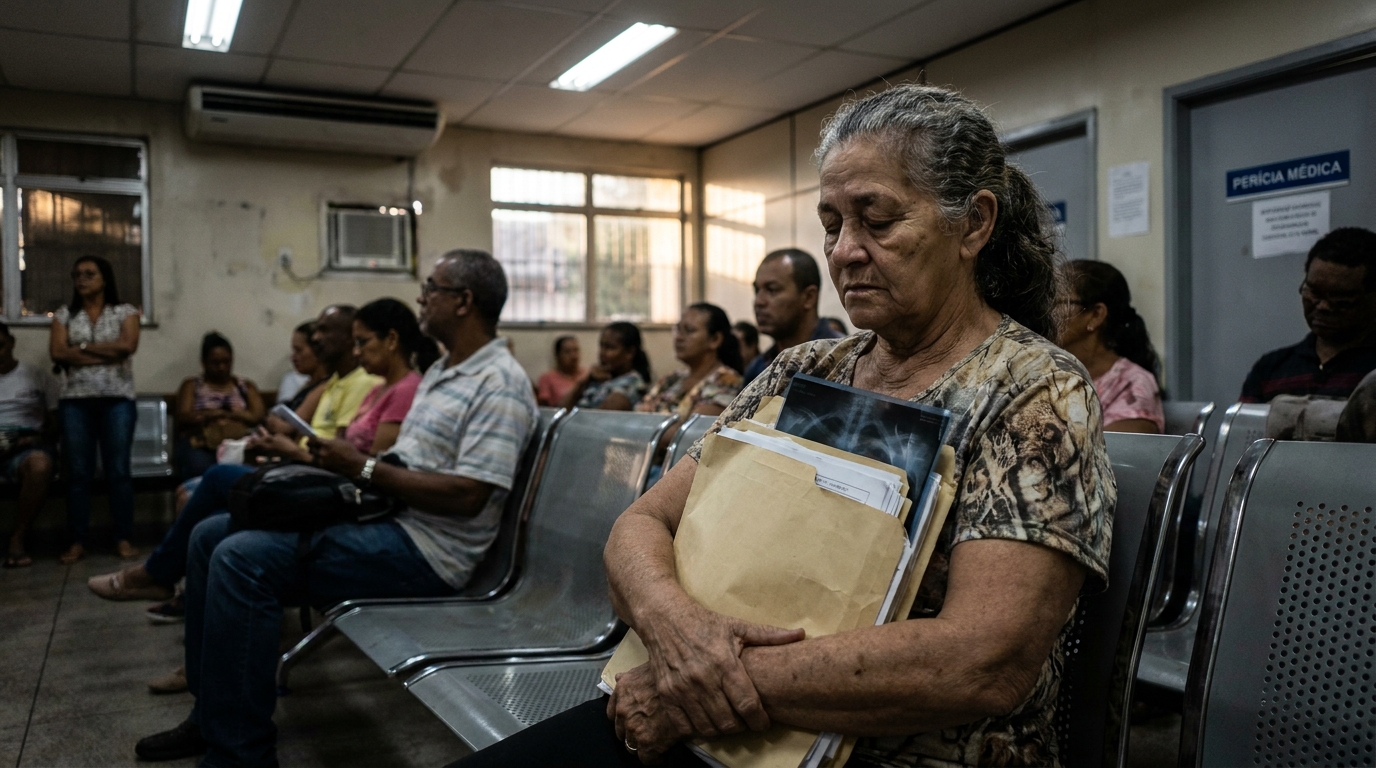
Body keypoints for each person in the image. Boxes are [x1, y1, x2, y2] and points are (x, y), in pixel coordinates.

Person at [456, 85, 1114, 768]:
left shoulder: (1033, 390)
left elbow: (983, 658)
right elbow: (642, 525)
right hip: (716, 714)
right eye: (832, 224)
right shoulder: (805, 372)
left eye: (877, 220)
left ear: (974, 224)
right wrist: (677, 630)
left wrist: (695, 682)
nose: (845, 251)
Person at [134, 249, 539, 766]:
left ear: (463, 302)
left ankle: (240, 753)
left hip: (429, 552)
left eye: (431, 287)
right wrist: (350, 470)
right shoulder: (446, 370)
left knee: (242, 558)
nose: (421, 296)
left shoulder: (498, 383)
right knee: (210, 534)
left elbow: (468, 495)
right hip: (387, 516)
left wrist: (362, 468)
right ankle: (211, 717)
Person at [87, 304, 390, 604]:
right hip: (303, 469)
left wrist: (291, 451)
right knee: (203, 511)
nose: (317, 339)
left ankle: (160, 576)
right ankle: (186, 592)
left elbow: (357, 466)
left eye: (325, 331)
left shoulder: (369, 384)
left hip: (321, 480)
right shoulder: (336, 382)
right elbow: (308, 435)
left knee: (215, 483)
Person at [50, 255, 142, 564]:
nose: (82, 279)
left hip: (117, 399)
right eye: (77, 274)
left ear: (105, 278)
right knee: (77, 473)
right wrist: (106, 352)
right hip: (75, 402)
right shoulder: (64, 315)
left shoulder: (125, 311)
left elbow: (127, 346)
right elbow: (58, 352)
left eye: (90, 273)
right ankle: (77, 540)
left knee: (118, 471)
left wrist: (83, 349)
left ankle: (123, 538)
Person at [1240, 227, 1376, 403]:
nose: (1323, 306)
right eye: (1314, 292)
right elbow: (1242, 428)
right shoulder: (1271, 369)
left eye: (1340, 298)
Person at [1057, 260, 1164, 434]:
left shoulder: (1132, 384)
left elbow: (1118, 457)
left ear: (1095, 315)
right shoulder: (1049, 371)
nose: (1044, 313)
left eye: (1056, 302)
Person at [1, 321, 60, 568]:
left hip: (26, 447)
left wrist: (31, 438)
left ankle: (18, 537)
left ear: (11, 343)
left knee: (39, 465)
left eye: (0, 346)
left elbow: (56, 427)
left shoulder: (36, 377)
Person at [742, 248, 844, 385]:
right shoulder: (758, 368)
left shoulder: (844, 358)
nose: (758, 302)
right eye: (757, 290)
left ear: (809, 297)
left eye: (771, 290)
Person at [174, 333, 266, 479]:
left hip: (238, 443)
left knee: (249, 467)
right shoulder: (192, 385)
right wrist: (207, 416)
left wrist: (227, 415)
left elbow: (258, 416)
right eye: (215, 363)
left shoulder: (244, 386)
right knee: (200, 466)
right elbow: (183, 416)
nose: (222, 367)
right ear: (203, 362)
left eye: (226, 362)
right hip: (203, 444)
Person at [638, 304, 744, 420]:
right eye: (678, 329)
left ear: (715, 340)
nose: (678, 337)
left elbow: (688, 431)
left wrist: (646, 423)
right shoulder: (672, 379)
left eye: (689, 330)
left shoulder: (727, 381)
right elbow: (638, 414)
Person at [564, 322, 651, 410]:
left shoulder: (629, 387)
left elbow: (596, 421)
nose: (602, 353)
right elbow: (559, 411)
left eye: (610, 347)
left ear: (630, 352)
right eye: (601, 346)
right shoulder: (599, 378)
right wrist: (583, 381)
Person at [276, 321, 328, 406]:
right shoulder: (308, 384)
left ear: (318, 350)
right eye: (294, 350)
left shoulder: (325, 387)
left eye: (299, 350)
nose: (293, 358)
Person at [537, 335, 585, 407]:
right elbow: (545, 408)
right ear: (558, 356)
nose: (574, 356)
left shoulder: (586, 374)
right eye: (567, 352)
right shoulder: (547, 378)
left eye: (576, 350)